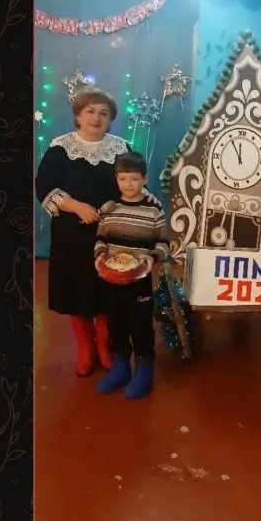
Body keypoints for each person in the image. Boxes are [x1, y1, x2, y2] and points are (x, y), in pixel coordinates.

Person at [35, 89, 159, 377]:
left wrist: (147, 199)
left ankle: (105, 345)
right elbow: (45, 189)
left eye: (104, 113)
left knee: (109, 291)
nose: (97, 117)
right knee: (76, 290)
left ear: (110, 119)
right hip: (72, 235)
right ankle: (85, 347)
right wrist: (78, 207)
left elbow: (133, 182)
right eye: (90, 111)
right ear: (78, 116)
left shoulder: (121, 148)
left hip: (114, 234)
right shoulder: (59, 149)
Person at [94, 152, 169, 399]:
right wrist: (100, 256)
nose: (129, 184)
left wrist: (153, 258)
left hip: (139, 282)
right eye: (123, 178)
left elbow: (164, 243)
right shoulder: (110, 209)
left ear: (145, 179)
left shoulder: (154, 210)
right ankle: (120, 368)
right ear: (116, 179)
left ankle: (144, 370)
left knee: (140, 326)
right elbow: (100, 239)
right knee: (115, 325)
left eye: (135, 179)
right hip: (111, 281)